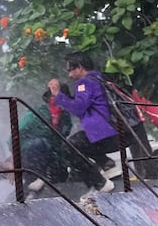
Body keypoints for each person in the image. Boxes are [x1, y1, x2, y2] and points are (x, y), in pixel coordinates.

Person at [47, 53, 117, 196]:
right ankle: (105, 163)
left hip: (101, 132)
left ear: (79, 67)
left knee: (68, 147)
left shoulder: (84, 83)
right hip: (114, 130)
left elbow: (79, 107)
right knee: (79, 144)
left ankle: (100, 183)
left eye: (70, 70)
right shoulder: (99, 78)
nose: (69, 74)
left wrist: (57, 95)